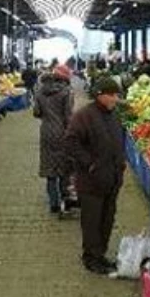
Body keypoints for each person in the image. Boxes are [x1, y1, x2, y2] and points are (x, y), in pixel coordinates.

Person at [66, 76, 125, 275]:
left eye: (116, 95)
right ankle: (90, 257)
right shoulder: (84, 116)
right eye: (112, 95)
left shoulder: (114, 115)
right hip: (91, 181)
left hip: (112, 178)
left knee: (107, 219)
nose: (115, 99)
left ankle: (101, 254)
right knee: (92, 221)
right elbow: (71, 142)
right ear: (100, 95)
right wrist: (90, 164)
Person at [33, 65, 75, 214]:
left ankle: (54, 204)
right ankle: (65, 198)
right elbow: (68, 116)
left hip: (46, 132)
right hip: (62, 131)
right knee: (64, 166)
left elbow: (36, 112)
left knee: (49, 168)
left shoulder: (40, 91)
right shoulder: (66, 92)